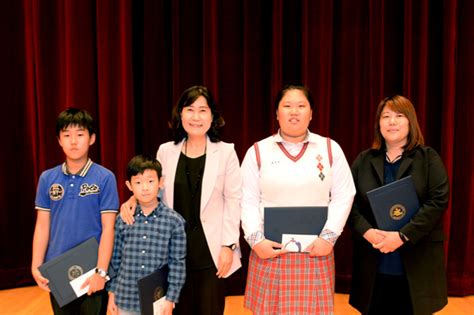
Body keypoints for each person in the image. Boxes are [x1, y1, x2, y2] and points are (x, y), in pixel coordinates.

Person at [121, 85, 242, 315]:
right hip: (173, 252)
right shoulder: (166, 151)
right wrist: (132, 200)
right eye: (190, 109)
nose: (196, 117)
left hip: (211, 252)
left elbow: (234, 200)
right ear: (180, 114)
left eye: (203, 110)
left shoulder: (226, 152)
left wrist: (229, 245)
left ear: (212, 116)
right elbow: (152, 187)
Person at [240, 84, 356, 314]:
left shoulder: (330, 148)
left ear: (311, 113)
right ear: (276, 113)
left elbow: (344, 194)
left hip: (316, 251)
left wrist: (329, 237)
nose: (294, 112)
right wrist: (256, 241)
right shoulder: (258, 151)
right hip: (270, 251)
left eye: (301, 106)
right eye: (287, 106)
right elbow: (246, 199)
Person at [348, 95, 450, 315]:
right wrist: (366, 231)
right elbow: (347, 202)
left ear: (410, 121)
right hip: (374, 259)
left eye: (399, 116)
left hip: (416, 260)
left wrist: (403, 236)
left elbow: (438, 200)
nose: (391, 122)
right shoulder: (364, 160)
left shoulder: (428, 158)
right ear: (378, 123)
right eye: (386, 116)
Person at [31, 108, 119, 314]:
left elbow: (108, 228)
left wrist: (101, 271)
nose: (73, 141)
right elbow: (43, 225)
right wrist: (36, 265)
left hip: (92, 270)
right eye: (66, 135)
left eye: (80, 134)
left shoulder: (105, 177)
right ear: (59, 140)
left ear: (92, 138)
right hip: (58, 270)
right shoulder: (47, 178)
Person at [107, 155, 186, 315]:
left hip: (157, 301)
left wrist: (171, 299)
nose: (145, 187)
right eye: (138, 182)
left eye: (150, 181)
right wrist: (111, 293)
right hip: (125, 298)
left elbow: (177, 263)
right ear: (129, 185)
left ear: (161, 182)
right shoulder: (123, 219)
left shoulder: (174, 221)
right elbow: (115, 260)